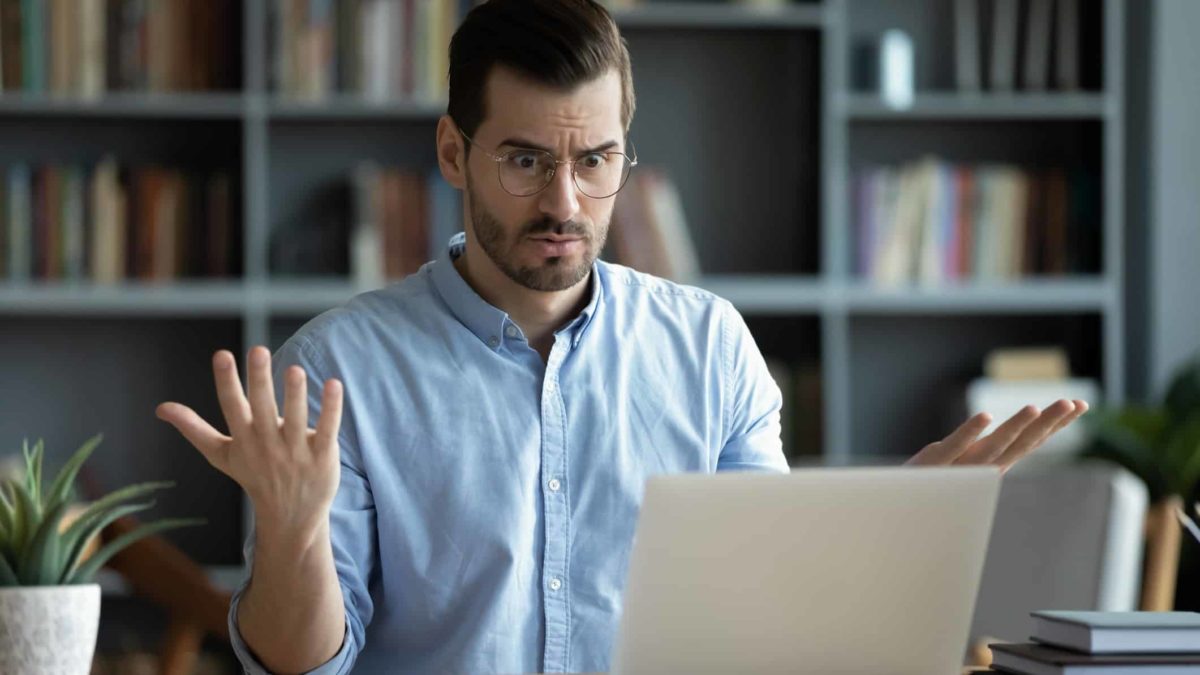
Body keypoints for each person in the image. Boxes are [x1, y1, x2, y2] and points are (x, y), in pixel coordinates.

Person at [155, 0, 1088, 672]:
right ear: (453, 153)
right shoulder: (339, 370)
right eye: (524, 160)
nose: (565, 202)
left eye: (595, 161)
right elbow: (302, 664)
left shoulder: (710, 346)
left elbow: (762, 630)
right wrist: (291, 532)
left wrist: (875, 538)